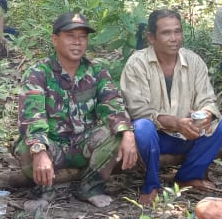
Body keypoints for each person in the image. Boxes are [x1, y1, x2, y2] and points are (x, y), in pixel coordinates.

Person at [15, 12, 139, 208]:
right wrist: (39, 150)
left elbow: (113, 105)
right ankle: (43, 190)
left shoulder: (97, 71)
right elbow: (32, 118)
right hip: (52, 145)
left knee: (118, 135)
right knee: (26, 147)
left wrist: (128, 133)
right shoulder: (38, 74)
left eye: (82, 37)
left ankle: (90, 187)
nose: (77, 42)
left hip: (83, 143)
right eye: (70, 37)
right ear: (55, 40)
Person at [122, 9, 222, 205]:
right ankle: (152, 184)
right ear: (151, 37)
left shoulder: (193, 60)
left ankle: (188, 175)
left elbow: (207, 99)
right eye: (166, 33)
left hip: (186, 133)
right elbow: (137, 110)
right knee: (142, 127)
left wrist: (205, 114)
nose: (174, 38)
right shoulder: (137, 63)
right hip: (155, 137)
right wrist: (174, 123)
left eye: (177, 32)